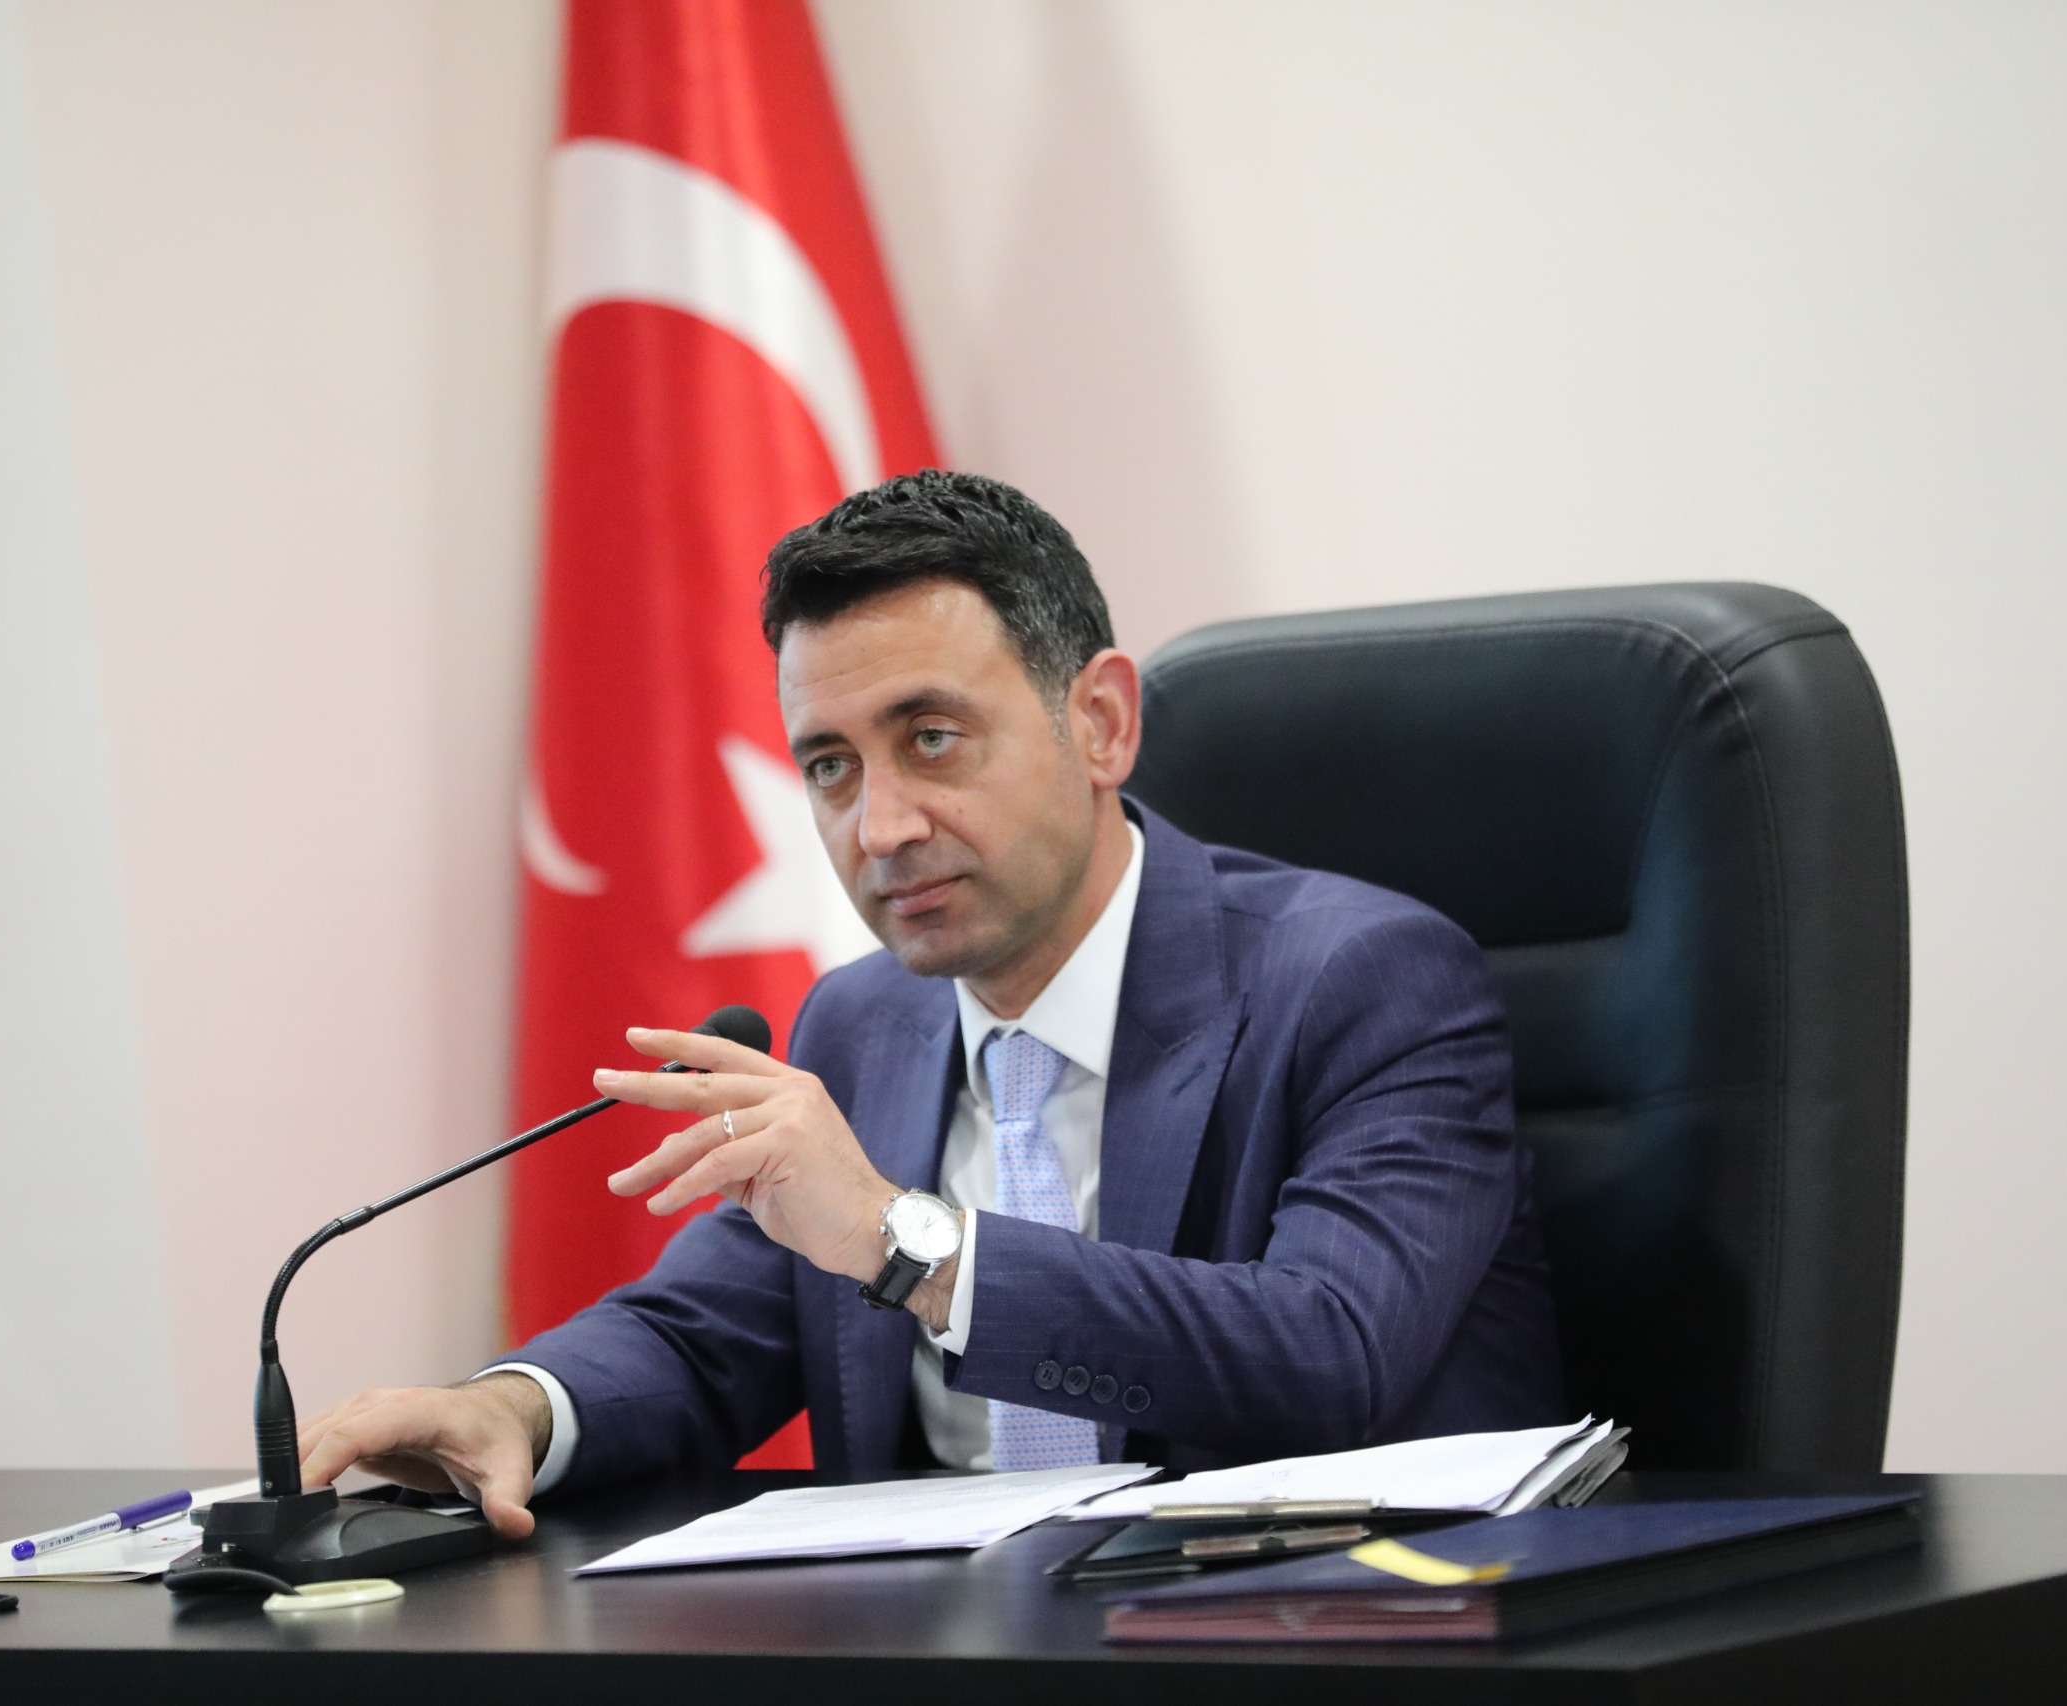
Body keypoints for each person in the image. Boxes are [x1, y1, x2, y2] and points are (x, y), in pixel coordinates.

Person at [300, 471, 1565, 1537]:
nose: (880, 826)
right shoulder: (861, 1025)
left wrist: (908, 1242)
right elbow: (703, 1335)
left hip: (1303, 1643)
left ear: (1101, 722)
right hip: (946, 1652)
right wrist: (512, 1407)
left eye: (932, 738)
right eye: (830, 765)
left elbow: (1329, 1353)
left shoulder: (1366, 979)